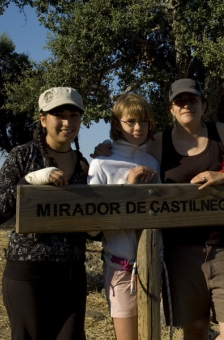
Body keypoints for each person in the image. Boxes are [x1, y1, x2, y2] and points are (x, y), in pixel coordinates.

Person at [93, 78, 224, 339]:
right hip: (179, 249)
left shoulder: (220, 132)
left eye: (192, 100)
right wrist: (106, 146)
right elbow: (130, 154)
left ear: (203, 104)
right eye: (179, 101)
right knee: (195, 329)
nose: (186, 105)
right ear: (171, 109)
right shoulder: (159, 143)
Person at [0, 87, 89, 340]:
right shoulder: (22, 156)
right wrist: (29, 181)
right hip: (28, 275)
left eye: (74, 115)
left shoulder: (85, 164)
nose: (67, 122)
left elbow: (91, 222)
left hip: (72, 276)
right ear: (43, 119)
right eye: (58, 115)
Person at [87, 93, 159, 340]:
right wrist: (129, 189)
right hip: (121, 267)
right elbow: (94, 222)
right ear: (117, 123)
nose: (138, 128)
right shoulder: (102, 163)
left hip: (153, 264)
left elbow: (158, 213)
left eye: (143, 121)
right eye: (130, 122)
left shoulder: (152, 162)